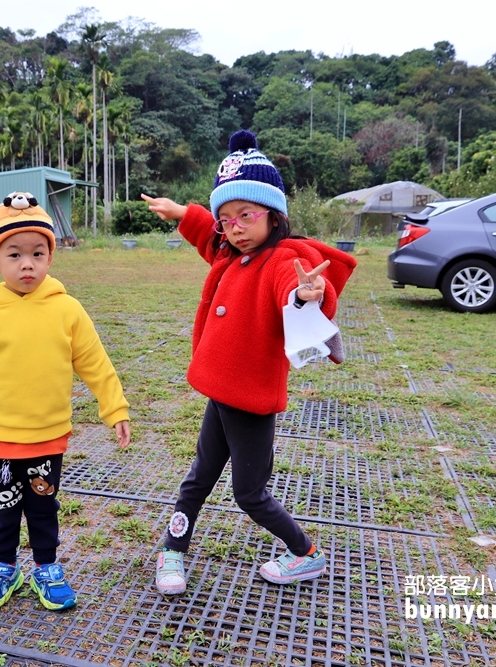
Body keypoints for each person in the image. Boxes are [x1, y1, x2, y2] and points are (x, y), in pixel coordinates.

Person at [141, 130, 356, 595]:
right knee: (198, 478)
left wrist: (307, 294)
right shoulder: (229, 254)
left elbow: (295, 289)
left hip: (251, 399)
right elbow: (206, 236)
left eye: (245, 215)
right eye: (226, 219)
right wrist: (183, 212)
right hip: (221, 394)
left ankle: (306, 554)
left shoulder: (282, 259)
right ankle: (171, 550)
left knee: (250, 493)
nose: (234, 227)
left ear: (273, 215)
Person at [0, 192, 131, 611]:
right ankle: (4, 566)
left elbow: (95, 362)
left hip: (47, 438)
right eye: (14, 254)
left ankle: (46, 566)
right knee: (3, 512)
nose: (27, 264)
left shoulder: (68, 310)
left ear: (50, 258)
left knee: (42, 509)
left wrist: (115, 408)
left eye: (38, 253)